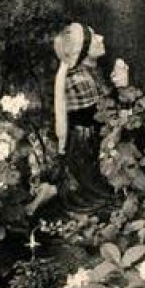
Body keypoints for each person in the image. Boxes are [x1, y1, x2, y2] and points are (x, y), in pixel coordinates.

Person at [53, 22, 114, 214]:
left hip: (87, 137)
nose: (101, 38)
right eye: (95, 37)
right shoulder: (80, 78)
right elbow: (102, 110)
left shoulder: (88, 72)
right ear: (84, 50)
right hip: (85, 141)